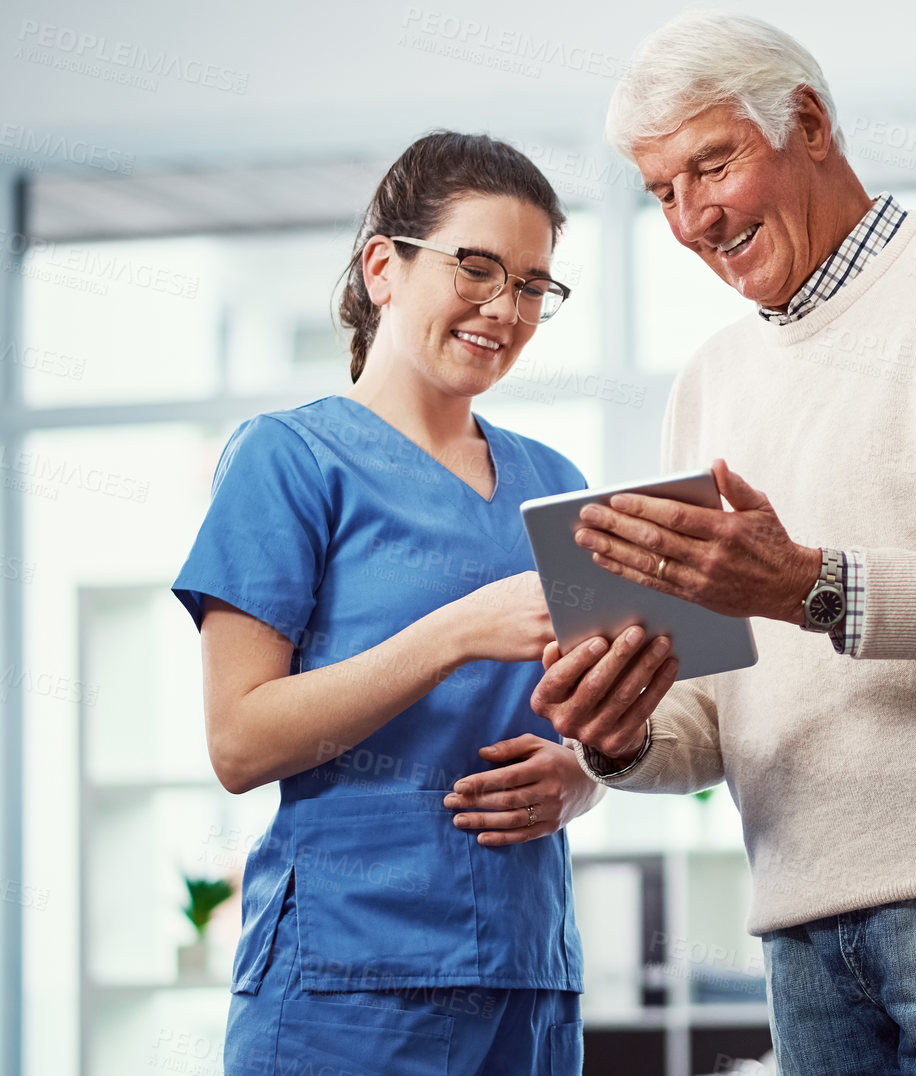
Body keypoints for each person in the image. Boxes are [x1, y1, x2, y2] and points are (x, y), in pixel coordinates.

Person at [532, 12, 916, 1074]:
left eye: (712, 165)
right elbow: (715, 712)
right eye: (662, 191)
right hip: (805, 919)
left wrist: (810, 582)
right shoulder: (710, 380)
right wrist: (623, 726)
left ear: (810, 122)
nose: (692, 218)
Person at [172, 131, 677, 1073]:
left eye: (533, 285)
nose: (506, 308)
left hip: (529, 977)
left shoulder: (555, 485)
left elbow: (595, 713)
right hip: (346, 982)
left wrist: (580, 779)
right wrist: (456, 633)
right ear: (383, 268)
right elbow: (240, 743)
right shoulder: (288, 461)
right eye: (476, 268)